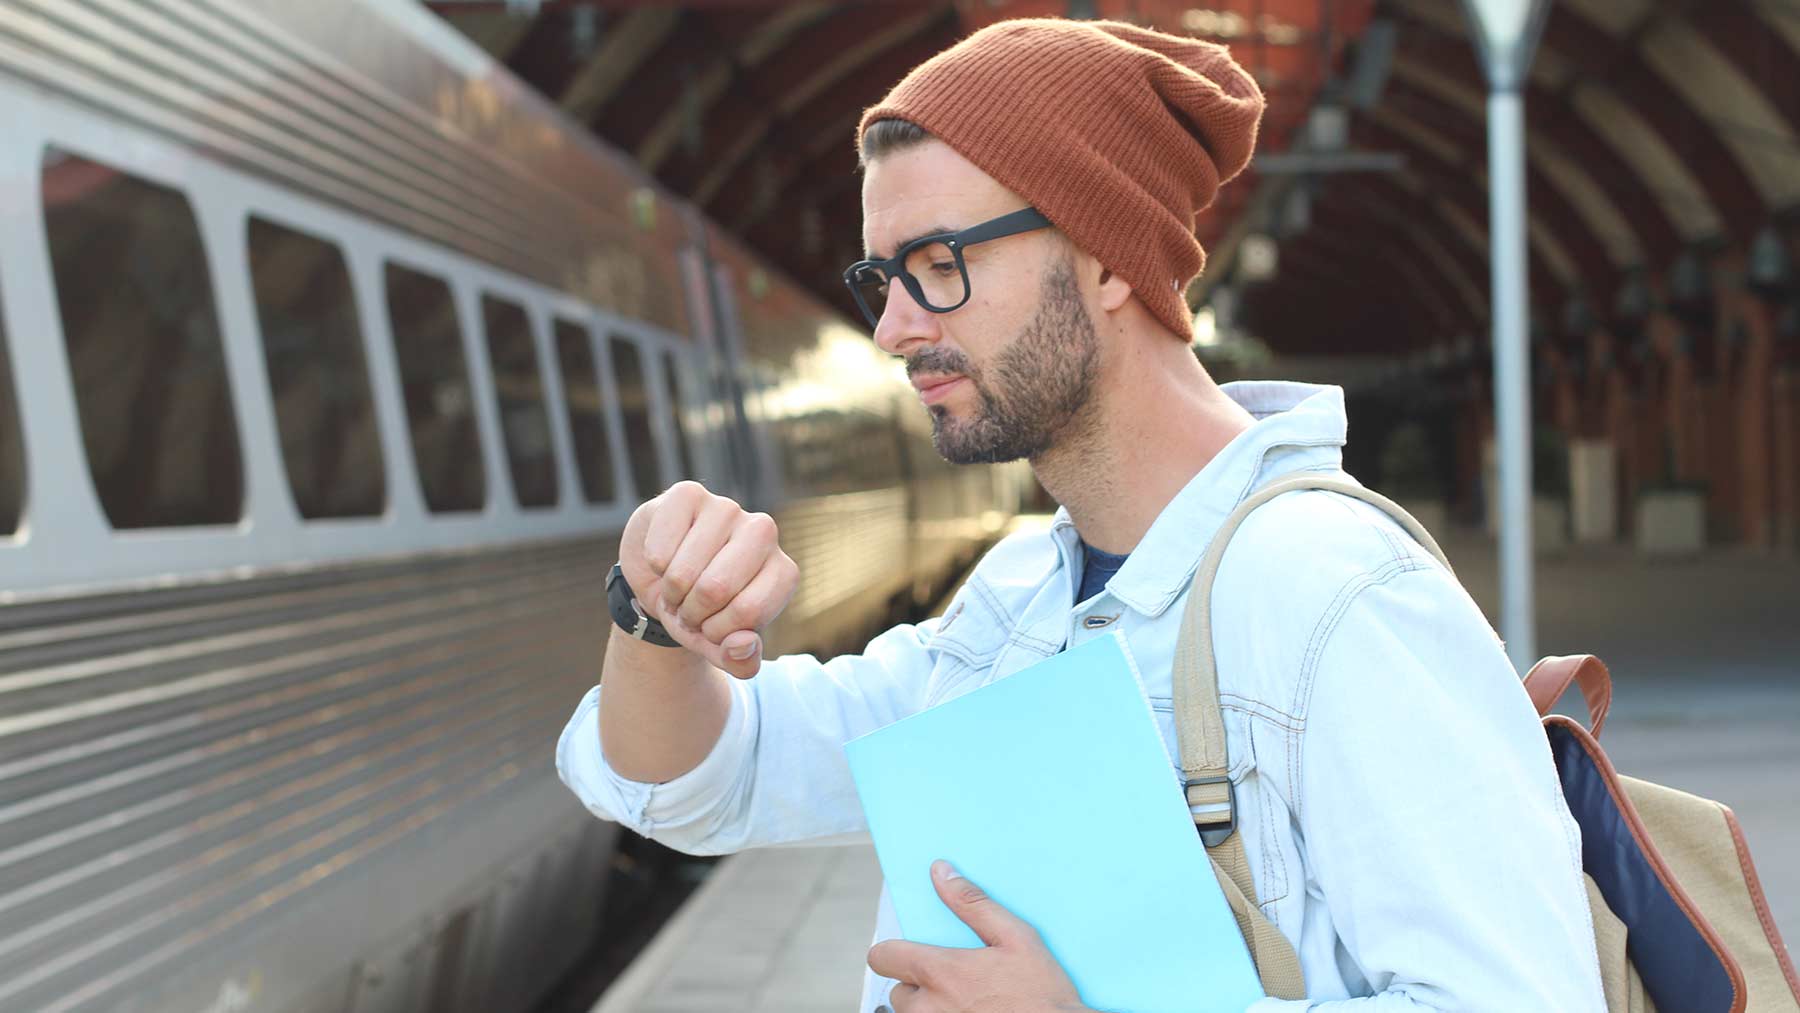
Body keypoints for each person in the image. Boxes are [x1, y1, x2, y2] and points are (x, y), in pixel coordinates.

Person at [557, 18, 1607, 1013]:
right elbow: (701, 784)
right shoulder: (1020, 601)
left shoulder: (1338, 596)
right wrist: (654, 613)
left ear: (1106, 257)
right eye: (884, 277)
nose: (891, 326)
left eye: (938, 266)